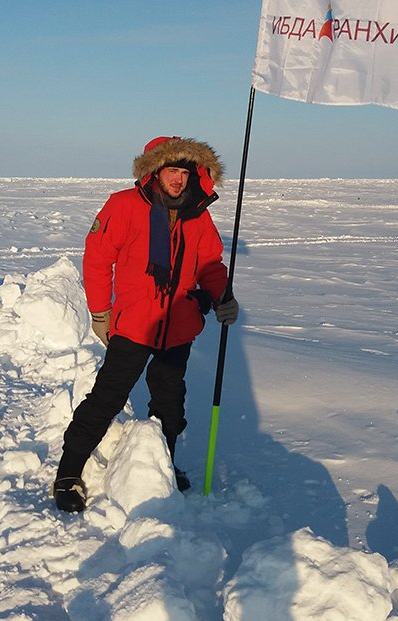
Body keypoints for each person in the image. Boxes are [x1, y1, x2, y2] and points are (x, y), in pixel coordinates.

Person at [54, 135, 240, 513]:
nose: (179, 180)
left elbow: (210, 265)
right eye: (172, 171)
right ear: (156, 171)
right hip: (135, 324)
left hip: (179, 326)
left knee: (170, 403)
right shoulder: (124, 206)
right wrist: (100, 312)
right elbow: (96, 260)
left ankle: (162, 466)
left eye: (185, 173)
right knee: (107, 398)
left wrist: (223, 297)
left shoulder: (198, 215)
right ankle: (69, 471)